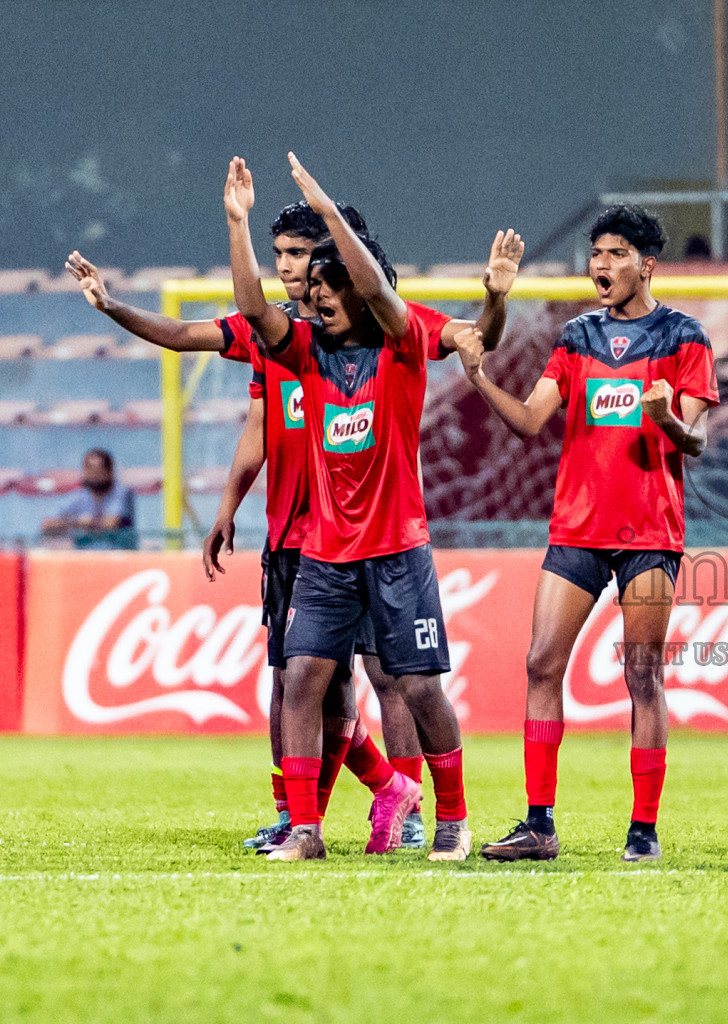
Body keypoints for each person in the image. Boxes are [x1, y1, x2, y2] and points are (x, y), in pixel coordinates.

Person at [230, 152, 520, 862]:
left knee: (417, 689)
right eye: (316, 286)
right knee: (300, 682)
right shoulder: (307, 354)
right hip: (327, 556)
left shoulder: (402, 348)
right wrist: (236, 222)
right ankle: (305, 832)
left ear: (361, 290)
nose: (317, 298)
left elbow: (408, 308)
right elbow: (253, 310)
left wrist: (330, 214)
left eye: (331, 286)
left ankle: (450, 818)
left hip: (397, 552)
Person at [466, 204, 718, 864]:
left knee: (642, 675)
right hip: (577, 527)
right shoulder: (577, 337)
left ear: (646, 264)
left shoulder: (685, 338)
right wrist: (477, 377)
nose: (600, 265)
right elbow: (528, 421)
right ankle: (539, 825)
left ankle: (643, 830)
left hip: (648, 532)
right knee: (541, 663)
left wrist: (666, 420)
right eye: (596, 254)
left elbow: (696, 439)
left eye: (614, 254)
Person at [41, 448, 136, 549]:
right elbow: (47, 525)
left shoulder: (122, 494)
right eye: (88, 469)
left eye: (98, 470)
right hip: (84, 558)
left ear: (109, 471)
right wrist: (79, 522)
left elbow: (110, 523)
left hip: (118, 557)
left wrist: (84, 522)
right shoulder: (79, 496)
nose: (93, 474)